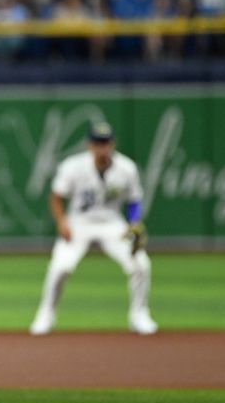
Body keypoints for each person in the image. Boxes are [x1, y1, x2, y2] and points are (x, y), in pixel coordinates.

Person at [29, 121, 158, 336]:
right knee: (61, 267)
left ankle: (139, 315)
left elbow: (135, 200)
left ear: (113, 144)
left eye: (106, 142)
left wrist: (134, 222)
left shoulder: (126, 168)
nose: (102, 147)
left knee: (141, 264)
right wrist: (62, 222)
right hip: (79, 223)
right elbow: (56, 196)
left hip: (112, 224)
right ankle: (46, 315)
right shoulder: (73, 166)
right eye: (98, 143)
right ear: (89, 145)